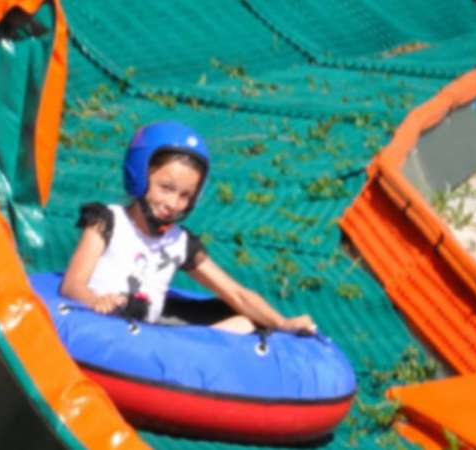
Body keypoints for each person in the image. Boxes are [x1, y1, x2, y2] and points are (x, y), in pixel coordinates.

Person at [59, 121, 318, 335]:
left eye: (185, 196)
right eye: (166, 188)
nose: (173, 204)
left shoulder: (179, 243)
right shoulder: (108, 221)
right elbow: (72, 284)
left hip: (147, 339)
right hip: (100, 325)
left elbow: (236, 293)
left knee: (245, 323)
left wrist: (282, 323)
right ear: (139, 174)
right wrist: (95, 301)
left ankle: (185, 362)